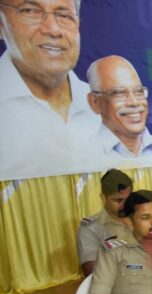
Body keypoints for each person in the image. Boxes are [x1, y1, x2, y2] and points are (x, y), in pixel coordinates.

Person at [0, 0, 100, 179]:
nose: (53, 30)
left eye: (64, 16)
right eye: (31, 11)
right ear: (2, 24)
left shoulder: (105, 106)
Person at [86, 55, 152, 160]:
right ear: (95, 102)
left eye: (139, 91)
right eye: (119, 93)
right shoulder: (86, 155)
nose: (134, 102)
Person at [77, 169, 134, 276]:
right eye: (118, 200)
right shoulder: (90, 228)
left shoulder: (143, 217)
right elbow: (92, 273)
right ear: (103, 198)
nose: (125, 205)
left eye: (128, 199)